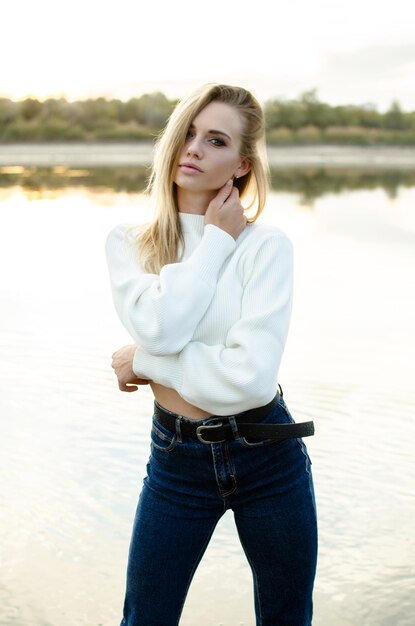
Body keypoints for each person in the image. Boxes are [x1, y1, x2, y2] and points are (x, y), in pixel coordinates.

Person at [105, 83, 317, 626]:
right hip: (177, 463)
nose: (194, 149)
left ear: (241, 165)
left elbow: (247, 381)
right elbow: (163, 324)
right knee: (145, 619)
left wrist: (147, 362)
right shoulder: (131, 243)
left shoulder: (267, 248)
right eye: (189, 134)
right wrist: (215, 242)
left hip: (268, 455)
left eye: (216, 140)